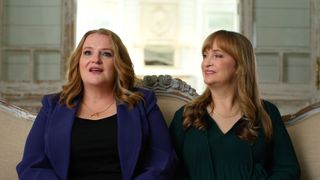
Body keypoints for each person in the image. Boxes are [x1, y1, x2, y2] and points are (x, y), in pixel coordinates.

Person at [17, 28, 177, 180]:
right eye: (87, 52)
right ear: (78, 61)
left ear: (118, 64)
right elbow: (31, 166)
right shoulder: (52, 105)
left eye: (106, 54)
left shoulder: (143, 102)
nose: (95, 60)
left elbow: (163, 162)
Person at [169, 30, 300, 180]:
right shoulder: (186, 115)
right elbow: (169, 170)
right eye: (205, 55)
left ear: (239, 66)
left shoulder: (267, 113)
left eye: (217, 55)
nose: (207, 62)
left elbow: (288, 169)